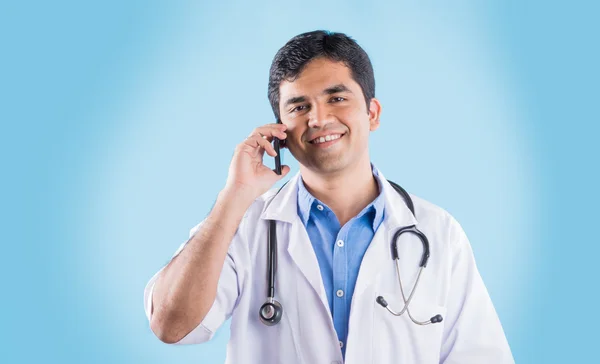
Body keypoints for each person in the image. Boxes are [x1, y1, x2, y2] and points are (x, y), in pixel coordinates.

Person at [143, 30, 514, 364]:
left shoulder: (438, 233)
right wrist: (233, 197)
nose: (318, 119)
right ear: (279, 130)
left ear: (372, 113)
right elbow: (170, 326)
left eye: (336, 98)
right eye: (299, 106)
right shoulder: (243, 228)